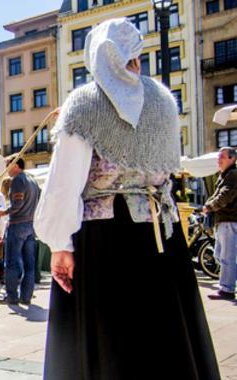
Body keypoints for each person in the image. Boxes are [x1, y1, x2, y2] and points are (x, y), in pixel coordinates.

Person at [34, 19, 219, 379]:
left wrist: (59, 244)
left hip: (104, 239)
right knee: (164, 336)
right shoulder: (163, 101)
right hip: (161, 235)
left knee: (107, 338)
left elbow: (64, 183)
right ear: (136, 52)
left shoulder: (85, 102)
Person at [0, 157, 40, 305]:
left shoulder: (18, 180)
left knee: (11, 263)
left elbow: (17, 203)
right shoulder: (33, 181)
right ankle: (26, 297)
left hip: (17, 224)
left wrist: (5, 212)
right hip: (30, 225)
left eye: (7, 166)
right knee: (29, 264)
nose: (6, 169)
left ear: (15, 165)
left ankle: (12, 296)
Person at [204, 147, 237, 300]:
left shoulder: (232, 175)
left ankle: (227, 289)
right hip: (224, 221)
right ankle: (226, 284)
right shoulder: (225, 175)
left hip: (230, 221)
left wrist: (210, 206)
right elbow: (217, 195)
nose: (219, 160)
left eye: (222, 157)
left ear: (232, 158)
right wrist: (208, 204)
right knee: (219, 254)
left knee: (226, 256)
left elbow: (225, 195)